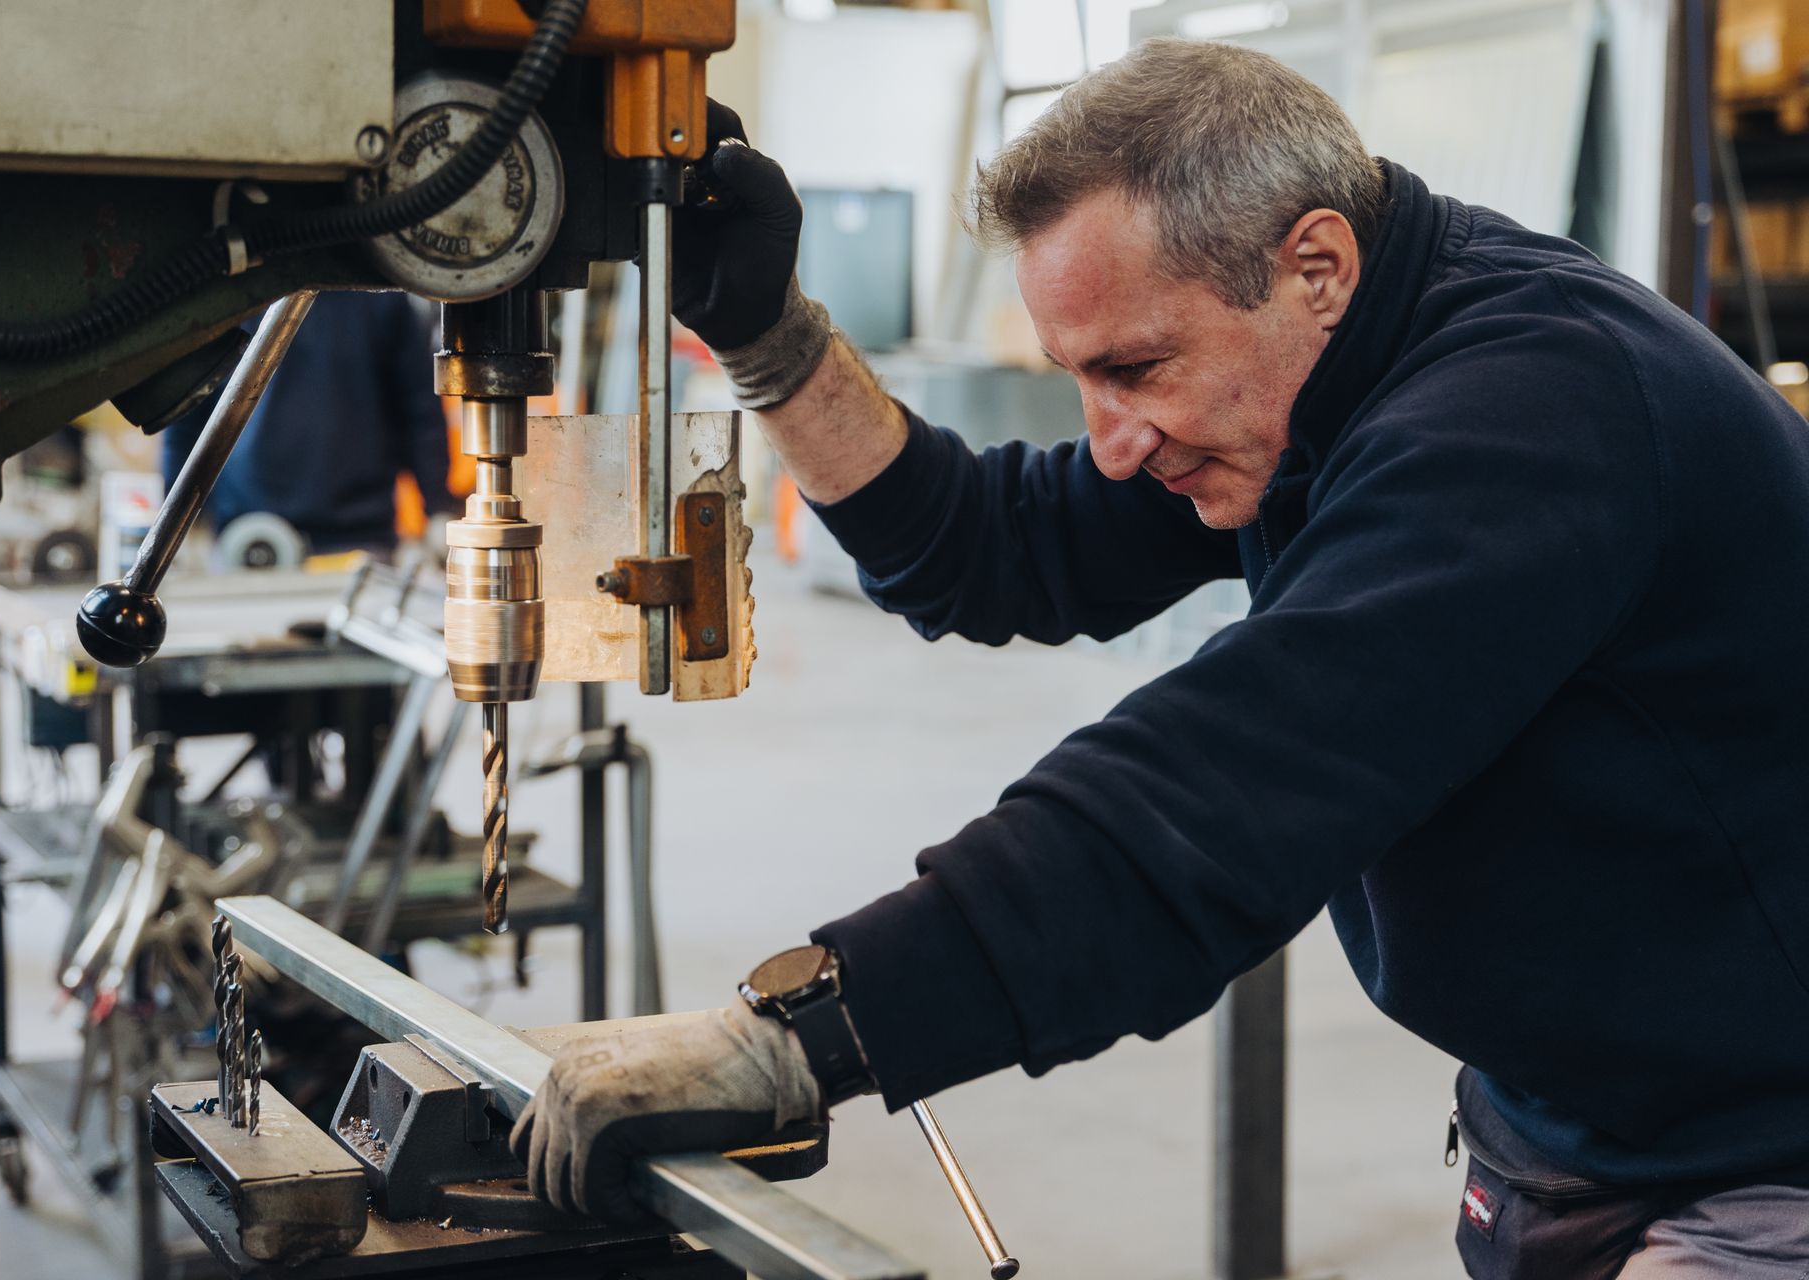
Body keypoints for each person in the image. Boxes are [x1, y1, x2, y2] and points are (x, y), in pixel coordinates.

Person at [511, 40, 1809, 1279]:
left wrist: (801, 1036)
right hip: (1571, 1122)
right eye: (1081, 377)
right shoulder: (1314, 369)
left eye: (1134, 368)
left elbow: (1213, 801)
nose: (1113, 440)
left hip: (1757, 1154)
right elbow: (992, 545)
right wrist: (770, 340)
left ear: (1315, 268)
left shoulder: (1534, 413)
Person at [161, 290, 453, 557]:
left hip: (357, 541)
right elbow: (187, 415)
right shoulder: (228, 295)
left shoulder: (378, 293)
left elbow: (419, 410)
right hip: (248, 541)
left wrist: (438, 508)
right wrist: (176, 524)